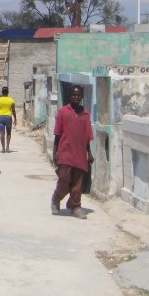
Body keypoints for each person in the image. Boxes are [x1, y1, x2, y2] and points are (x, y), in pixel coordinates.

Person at [51, 85, 93, 220]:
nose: (76, 97)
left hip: (80, 154)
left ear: (82, 96)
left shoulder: (85, 114)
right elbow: (57, 134)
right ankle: (56, 198)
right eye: (73, 95)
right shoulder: (63, 112)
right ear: (70, 96)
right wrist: (54, 152)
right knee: (64, 180)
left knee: (77, 184)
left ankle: (75, 206)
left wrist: (89, 153)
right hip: (65, 153)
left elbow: (86, 136)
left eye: (78, 95)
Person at [0, 86, 17, 153]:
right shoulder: (11, 100)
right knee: (8, 132)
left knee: (2, 133)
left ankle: (3, 148)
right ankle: (7, 147)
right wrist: (15, 119)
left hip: (0, 117)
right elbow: (13, 110)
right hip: (8, 117)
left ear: (2, 92)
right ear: (8, 92)